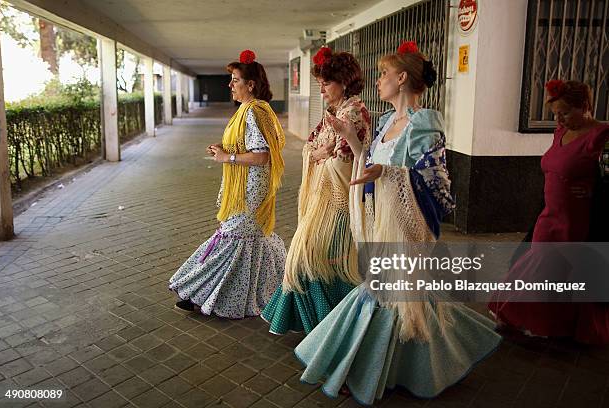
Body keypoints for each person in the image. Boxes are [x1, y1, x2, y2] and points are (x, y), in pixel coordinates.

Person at [293, 41, 501, 404]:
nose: (378, 81)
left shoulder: (425, 122)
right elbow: (368, 161)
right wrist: (347, 136)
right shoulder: (389, 121)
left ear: (402, 78)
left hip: (406, 224)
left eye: (384, 74)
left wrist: (388, 173)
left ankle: (364, 368)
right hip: (381, 219)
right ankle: (415, 365)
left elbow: (437, 184)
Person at [489, 80, 609, 344]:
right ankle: (524, 316)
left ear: (584, 106)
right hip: (550, 212)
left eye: (565, 112)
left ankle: (553, 324)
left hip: (578, 217)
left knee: (559, 267)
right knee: (540, 260)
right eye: (556, 114)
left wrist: (595, 192)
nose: (560, 119)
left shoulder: (602, 135)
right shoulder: (560, 133)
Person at [169, 50, 286, 319]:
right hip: (246, 185)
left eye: (235, 80)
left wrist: (228, 156)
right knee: (252, 240)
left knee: (234, 239)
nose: (230, 85)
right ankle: (279, 287)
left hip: (250, 189)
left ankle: (198, 291)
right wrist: (226, 149)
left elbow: (262, 155)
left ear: (251, 85)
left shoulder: (255, 112)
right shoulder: (250, 110)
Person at [261, 47, 371, 334]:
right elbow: (312, 146)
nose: (322, 89)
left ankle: (334, 325)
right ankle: (324, 325)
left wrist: (325, 152)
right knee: (311, 259)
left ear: (344, 82)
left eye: (326, 83)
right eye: (320, 83)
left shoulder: (355, 113)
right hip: (322, 199)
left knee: (317, 259)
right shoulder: (333, 113)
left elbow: (347, 158)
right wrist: (323, 151)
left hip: (339, 201)